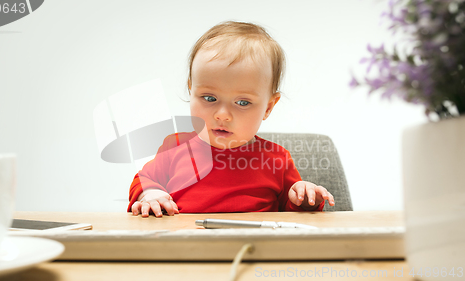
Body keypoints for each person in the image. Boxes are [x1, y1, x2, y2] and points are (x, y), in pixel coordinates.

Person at [128, 21, 335, 217]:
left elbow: (295, 219)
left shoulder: (277, 160)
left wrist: (304, 198)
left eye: (243, 102)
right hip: (187, 248)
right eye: (209, 98)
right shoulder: (175, 148)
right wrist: (150, 194)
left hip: (253, 250)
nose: (222, 114)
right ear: (191, 90)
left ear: (268, 107)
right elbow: (143, 180)